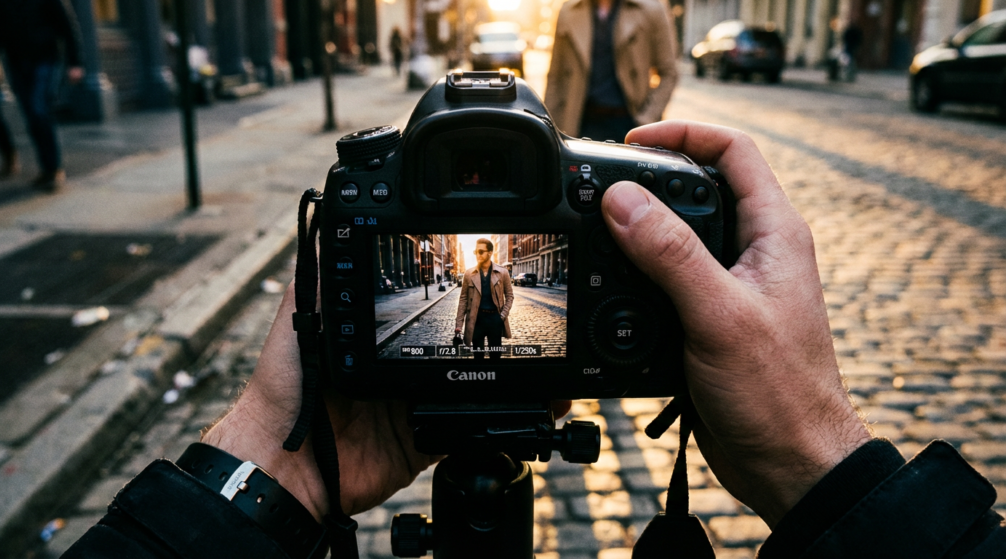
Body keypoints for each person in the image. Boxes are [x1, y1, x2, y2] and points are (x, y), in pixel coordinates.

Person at [63, 121, 1004, 557]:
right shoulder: (481, 274)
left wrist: (253, 488)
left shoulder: (501, 274)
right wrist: (291, 453)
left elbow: (501, 299)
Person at [0, 0, 84, 192]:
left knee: (39, 109)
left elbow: (67, 26)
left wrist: (75, 62)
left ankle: (54, 169)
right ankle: (46, 169)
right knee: (30, 114)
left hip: (45, 59)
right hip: (17, 62)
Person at [544, 0, 679, 142]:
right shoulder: (568, 10)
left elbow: (669, 73)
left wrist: (646, 119)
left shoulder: (652, 9)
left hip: (630, 126)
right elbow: (555, 76)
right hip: (579, 124)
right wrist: (550, 127)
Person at [454, 238, 514, 359]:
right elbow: (463, 300)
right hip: (476, 320)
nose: (478, 255)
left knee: (496, 355)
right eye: (476, 252)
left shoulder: (502, 272)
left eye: (481, 251)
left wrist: (502, 316)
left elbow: (510, 296)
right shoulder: (469, 273)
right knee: (478, 356)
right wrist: (459, 324)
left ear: (490, 252)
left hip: (495, 319)